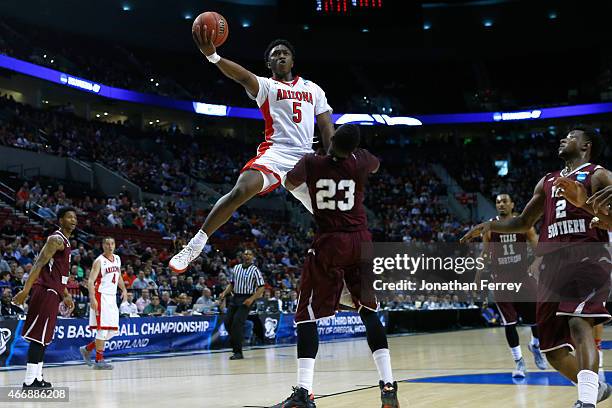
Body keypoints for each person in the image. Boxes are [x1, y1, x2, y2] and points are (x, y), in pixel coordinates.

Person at [461, 126, 612, 408]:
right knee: (551, 349)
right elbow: (523, 223)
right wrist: (490, 225)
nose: (564, 138)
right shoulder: (548, 181)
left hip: (587, 256)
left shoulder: (600, 175)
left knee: (580, 323)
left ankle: (586, 402)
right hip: (552, 265)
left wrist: (587, 204)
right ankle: (596, 388)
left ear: (586, 145)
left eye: (572, 136)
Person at [169, 27, 334, 274]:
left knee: (336, 219)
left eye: (285, 53)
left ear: (292, 60)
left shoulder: (313, 88)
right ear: (269, 63)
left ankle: (350, 274)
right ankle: (196, 244)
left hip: (306, 158)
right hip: (276, 152)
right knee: (241, 190)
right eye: (275, 54)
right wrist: (213, 57)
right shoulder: (267, 86)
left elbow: (326, 126)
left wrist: (334, 160)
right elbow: (243, 76)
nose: (280, 56)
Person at [270, 124, 399, 408]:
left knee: (306, 314)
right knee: (369, 311)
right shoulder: (362, 159)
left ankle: (304, 392)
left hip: (331, 242)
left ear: (329, 143)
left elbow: (289, 184)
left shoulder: (312, 162)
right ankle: (388, 384)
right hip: (361, 240)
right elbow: (375, 166)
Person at [476, 193, 547, 378]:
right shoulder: (490, 228)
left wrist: (535, 264)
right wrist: (477, 276)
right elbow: (485, 253)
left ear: (512, 204)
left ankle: (535, 346)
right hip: (501, 279)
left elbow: (540, 249)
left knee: (535, 320)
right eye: (498, 202)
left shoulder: (523, 224)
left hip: (523, 276)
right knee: (510, 322)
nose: (501, 204)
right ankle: (519, 362)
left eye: (504, 201)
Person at [12, 207, 77, 389]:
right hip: (45, 292)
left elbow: (57, 274)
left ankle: (37, 377)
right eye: (69, 217)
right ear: (60, 220)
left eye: (75, 218)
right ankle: (29, 380)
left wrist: (65, 294)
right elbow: (39, 263)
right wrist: (25, 291)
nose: (74, 220)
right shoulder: (55, 239)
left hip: (54, 292)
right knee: (38, 337)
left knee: (44, 337)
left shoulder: (66, 242)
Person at [79, 237, 127, 369]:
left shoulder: (117, 258)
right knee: (102, 330)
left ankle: (87, 349)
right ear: (103, 246)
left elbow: (119, 276)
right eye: (107, 244)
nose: (110, 246)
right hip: (101, 296)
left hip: (112, 297)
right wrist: (92, 298)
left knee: (111, 332)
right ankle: (99, 360)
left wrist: (123, 289)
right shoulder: (99, 261)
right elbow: (90, 281)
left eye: (112, 243)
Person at [219, 250, 265, 360]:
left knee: (237, 323)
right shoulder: (236, 268)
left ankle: (238, 352)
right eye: (245, 254)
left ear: (253, 257)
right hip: (235, 297)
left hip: (247, 298)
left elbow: (261, 287)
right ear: (242, 256)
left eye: (249, 254)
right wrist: (224, 293)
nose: (247, 256)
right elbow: (232, 284)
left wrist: (252, 298)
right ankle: (237, 338)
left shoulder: (255, 270)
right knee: (227, 322)